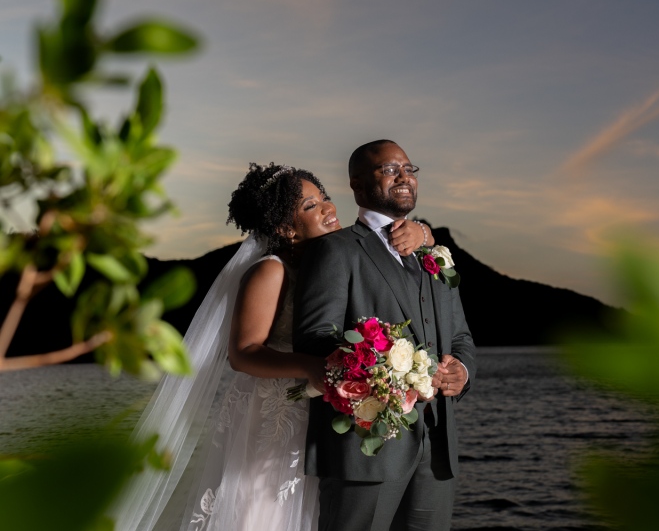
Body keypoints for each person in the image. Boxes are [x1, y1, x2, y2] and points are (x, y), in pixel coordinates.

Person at [111, 163, 433, 531]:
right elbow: (243, 351)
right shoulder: (271, 271)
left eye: (325, 198)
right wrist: (312, 367)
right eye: (311, 207)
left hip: (324, 416)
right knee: (264, 512)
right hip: (278, 415)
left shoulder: (337, 261)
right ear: (284, 227)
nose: (329, 208)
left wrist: (423, 231)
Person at [294, 140, 476, 531]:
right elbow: (312, 338)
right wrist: (384, 373)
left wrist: (460, 370)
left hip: (436, 446)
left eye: (409, 169)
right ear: (357, 185)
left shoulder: (433, 254)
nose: (404, 177)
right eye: (389, 170)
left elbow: (459, 335)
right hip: (364, 452)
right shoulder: (336, 251)